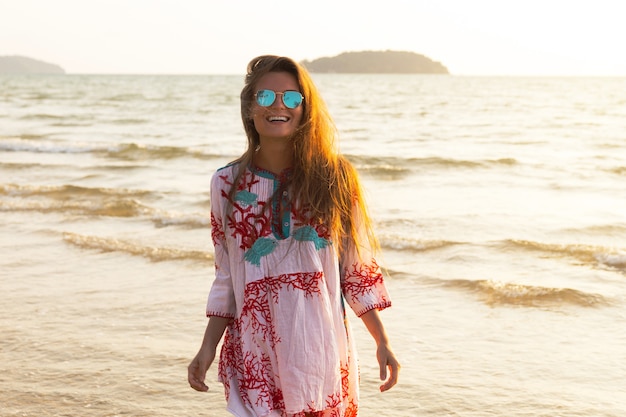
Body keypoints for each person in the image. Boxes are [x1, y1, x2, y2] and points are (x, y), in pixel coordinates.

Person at [188, 55, 400, 417]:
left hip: (319, 348)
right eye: (266, 97)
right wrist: (207, 348)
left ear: (305, 108)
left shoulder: (335, 176)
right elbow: (226, 274)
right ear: (250, 108)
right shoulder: (225, 183)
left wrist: (382, 341)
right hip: (254, 349)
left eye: (290, 98)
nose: (278, 106)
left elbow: (356, 270)